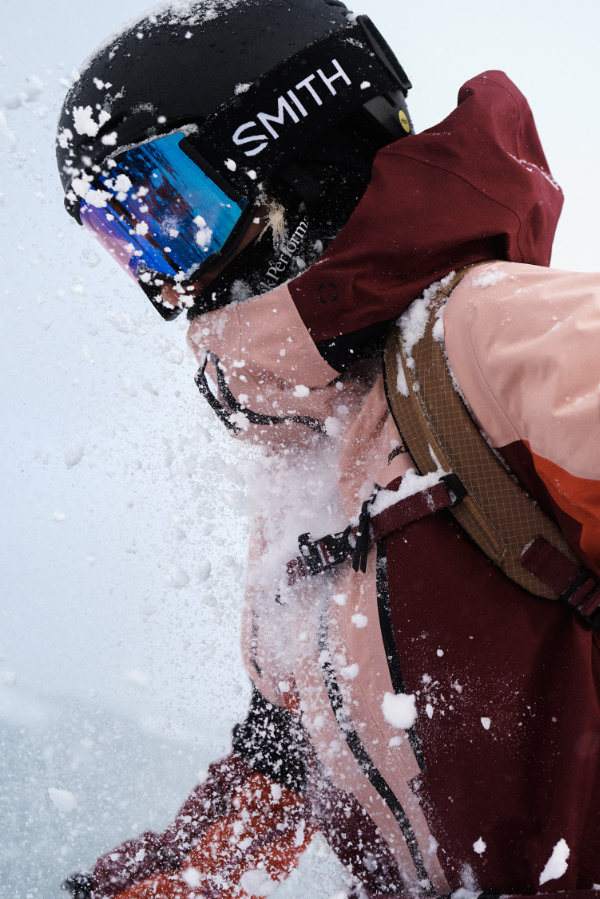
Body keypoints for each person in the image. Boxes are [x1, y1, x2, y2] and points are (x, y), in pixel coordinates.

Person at [56, 1, 600, 897]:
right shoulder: (307, 467)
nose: (164, 276)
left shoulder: (494, 338)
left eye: (166, 212)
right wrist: (182, 874)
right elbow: (291, 743)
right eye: (127, 239)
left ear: (287, 151)